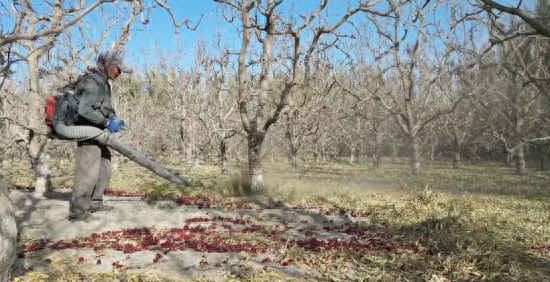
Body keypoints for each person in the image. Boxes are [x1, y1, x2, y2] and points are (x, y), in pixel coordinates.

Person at [68, 50, 132, 222]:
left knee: (104, 167)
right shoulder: (91, 82)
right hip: (87, 132)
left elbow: (105, 107)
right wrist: (105, 123)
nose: (119, 73)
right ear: (107, 65)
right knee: (88, 171)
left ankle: (95, 202)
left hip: (98, 132)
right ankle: (78, 212)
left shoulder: (103, 83)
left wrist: (114, 119)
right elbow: (85, 110)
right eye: (118, 69)